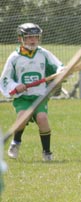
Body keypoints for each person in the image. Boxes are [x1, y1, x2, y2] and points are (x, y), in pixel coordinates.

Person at [0, 23, 64, 162]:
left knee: (42, 118)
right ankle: (16, 143)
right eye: (29, 38)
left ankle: (47, 152)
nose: (33, 40)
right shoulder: (14, 58)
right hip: (23, 98)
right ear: (21, 39)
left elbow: (59, 66)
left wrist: (61, 73)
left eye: (35, 37)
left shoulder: (43, 53)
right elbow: (5, 79)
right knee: (22, 117)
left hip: (40, 95)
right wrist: (16, 86)